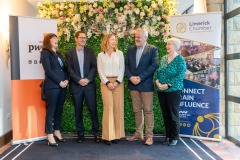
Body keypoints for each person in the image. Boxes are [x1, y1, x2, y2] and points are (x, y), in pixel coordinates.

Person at [125, 28, 159, 146]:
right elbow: (126, 65)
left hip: (146, 84)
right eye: (136, 37)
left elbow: (154, 64)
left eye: (139, 37)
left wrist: (140, 77)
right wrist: (130, 77)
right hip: (133, 84)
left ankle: (149, 136)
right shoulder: (130, 49)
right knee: (136, 110)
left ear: (146, 37)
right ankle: (138, 133)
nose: (137, 39)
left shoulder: (153, 49)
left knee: (148, 111)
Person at [66, 31, 100, 143]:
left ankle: (96, 133)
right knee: (78, 110)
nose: (83, 40)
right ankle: (80, 135)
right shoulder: (69, 53)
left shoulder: (90, 51)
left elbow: (94, 67)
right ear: (76, 39)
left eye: (85, 38)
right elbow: (69, 69)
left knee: (93, 110)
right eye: (81, 38)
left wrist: (88, 79)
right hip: (76, 86)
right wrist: (79, 80)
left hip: (89, 85)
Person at [155, 37, 186, 146]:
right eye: (167, 44)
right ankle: (168, 136)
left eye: (170, 44)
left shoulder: (180, 60)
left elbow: (180, 76)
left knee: (173, 114)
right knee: (166, 114)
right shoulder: (163, 58)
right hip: (161, 90)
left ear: (176, 46)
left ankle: (175, 137)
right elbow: (158, 72)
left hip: (173, 90)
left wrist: (167, 85)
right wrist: (158, 82)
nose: (167, 46)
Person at [40, 33, 69, 146]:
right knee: (51, 110)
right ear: (48, 41)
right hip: (52, 86)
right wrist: (60, 82)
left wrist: (66, 80)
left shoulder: (59, 54)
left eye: (57, 38)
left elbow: (65, 69)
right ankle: (49, 134)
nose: (56, 40)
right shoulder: (45, 53)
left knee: (59, 109)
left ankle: (57, 131)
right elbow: (48, 70)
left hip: (63, 85)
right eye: (53, 39)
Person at [97, 34, 125, 145]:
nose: (114, 41)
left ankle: (117, 135)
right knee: (108, 108)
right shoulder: (100, 55)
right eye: (112, 39)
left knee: (118, 108)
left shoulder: (120, 54)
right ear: (106, 41)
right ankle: (108, 136)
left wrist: (117, 82)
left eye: (115, 40)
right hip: (105, 83)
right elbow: (100, 71)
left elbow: (122, 68)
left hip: (118, 82)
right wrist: (108, 82)